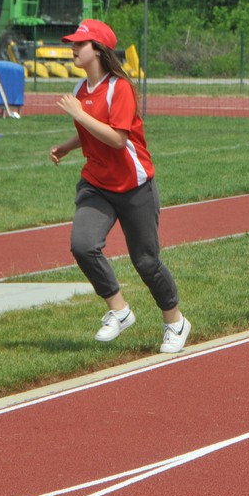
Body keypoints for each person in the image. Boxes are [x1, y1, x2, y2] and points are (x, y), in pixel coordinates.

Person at [49, 19, 191, 353]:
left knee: (146, 262)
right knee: (83, 245)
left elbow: (117, 138)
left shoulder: (119, 88)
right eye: (72, 43)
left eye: (80, 44)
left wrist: (80, 116)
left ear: (98, 50)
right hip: (96, 184)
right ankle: (119, 309)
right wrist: (67, 146)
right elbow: (90, 132)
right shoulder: (80, 90)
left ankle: (175, 322)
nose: (73, 49)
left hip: (134, 185)